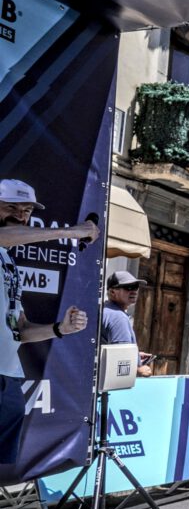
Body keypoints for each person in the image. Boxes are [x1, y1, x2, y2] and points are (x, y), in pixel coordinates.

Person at [0, 179, 98, 465]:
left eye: (27, 210)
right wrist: (71, 232)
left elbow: (20, 329)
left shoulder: (8, 261)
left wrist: (59, 329)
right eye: (11, 207)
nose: (20, 215)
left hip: (8, 377)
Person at [100, 270, 154, 377]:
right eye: (128, 287)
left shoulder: (106, 310)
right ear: (112, 292)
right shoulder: (118, 317)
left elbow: (111, 350)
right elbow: (121, 358)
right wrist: (139, 369)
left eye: (135, 287)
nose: (133, 291)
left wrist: (135, 355)